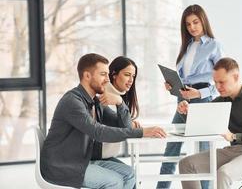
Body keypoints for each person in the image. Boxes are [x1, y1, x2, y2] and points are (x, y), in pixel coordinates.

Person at [40, 53, 166, 189]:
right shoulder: (73, 102)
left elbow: (124, 126)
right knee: (114, 181)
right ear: (87, 76)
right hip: (62, 166)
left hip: (83, 160)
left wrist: (120, 103)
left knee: (129, 174)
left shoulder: (95, 102)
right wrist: (142, 132)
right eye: (103, 74)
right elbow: (98, 132)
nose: (107, 79)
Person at [157, 4, 223, 189]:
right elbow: (184, 79)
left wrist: (200, 93)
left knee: (204, 156)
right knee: (171, 149)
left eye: (195, 22)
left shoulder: (214, 46)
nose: (192, 27)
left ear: (203, 21)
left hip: (203, 102)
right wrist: (172, 85)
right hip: (183, 101)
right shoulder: (186, 47)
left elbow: (220, 82)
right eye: (188, 24)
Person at [178, 57, 242, 189]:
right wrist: (186, 112)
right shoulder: (221, 100)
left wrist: (235, 136)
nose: (217, 87)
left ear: (236, 77)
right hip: (232, 151)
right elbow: (200, 124)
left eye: (222, 82)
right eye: (215, 82)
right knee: (186, 164)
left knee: (223, 173)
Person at [100, 56, 141, 159]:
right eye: (127, 75)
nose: (131, 80)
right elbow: (125, 129)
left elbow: (124, 126)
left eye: (133, 76)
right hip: (99, 157)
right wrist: (120, 102)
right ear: (114, 74)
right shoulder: (103, 96)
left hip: (109, 157)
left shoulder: (119, 98)